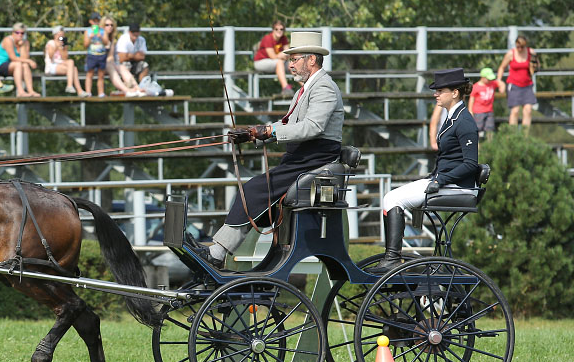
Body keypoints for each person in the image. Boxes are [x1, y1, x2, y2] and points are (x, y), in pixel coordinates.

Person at [193, 31, 344, 266]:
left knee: (252, 190)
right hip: (302, 157)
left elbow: (313, 127)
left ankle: (218, 253)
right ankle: (221, 250)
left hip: (315, 158)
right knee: (253, 192)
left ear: (311, 60)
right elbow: (287, 124)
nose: (290, 65)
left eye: (294, 59)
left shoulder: (324, 87)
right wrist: (254, 133)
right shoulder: (303, 90)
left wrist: (270, 132)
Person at [372, 68, 479, 274]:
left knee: (392, 199)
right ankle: (393, 257)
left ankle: (393, 258)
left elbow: (470, 164)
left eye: (440, 90)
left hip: (457, 187)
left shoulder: (464, 122)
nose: (435, 94)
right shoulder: (452, 118)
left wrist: (441, 180)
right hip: (444, 181)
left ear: (455, 93)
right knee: (391, 197)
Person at [496, 35, 537, 132]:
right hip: (514, 85)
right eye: (517, 46)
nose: (519, 49)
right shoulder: (511, 54)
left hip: (527, 85)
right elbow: (501, 67)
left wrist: (534, 65)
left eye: (522, 47)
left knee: (528, 110)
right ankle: (513, 136)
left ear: (525, 45)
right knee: (515, 111)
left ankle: (524, 137)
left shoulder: (531, 52)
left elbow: (536, 67)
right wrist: (499, 81)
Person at [0, 22, 39, 97]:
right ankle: (20, 91)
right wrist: (29, 61)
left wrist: (22, 46)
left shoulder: (25, 42)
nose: (20, 35)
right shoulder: (8, 40)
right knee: (19, 64)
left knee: (25, 65)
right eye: (17, 32)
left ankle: (30, 90)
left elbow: (24, 58)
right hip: (1, 65)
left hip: (15, 66)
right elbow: (13, 58)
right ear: (13, 32)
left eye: (22, 33)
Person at [103, 17, 144, 97]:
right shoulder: (98, 37)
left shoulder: (111, 39)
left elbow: (111, 57)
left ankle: (137, 88)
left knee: (122, 67)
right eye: (107, 25)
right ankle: (126, 90)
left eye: (111, 25)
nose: (110, 27)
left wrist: (115, 64)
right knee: (111, 67)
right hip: (98, 63)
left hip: (108, 64)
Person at [253, 20, 292, 97]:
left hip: (277, 62)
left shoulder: (284, 38)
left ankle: (306, 86)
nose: (279, 31)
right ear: (273, 30)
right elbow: (273, 56)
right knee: (279, 62)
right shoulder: (268, 38)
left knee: (293, 64)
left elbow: (288, 53)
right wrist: (282, 54)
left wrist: (284, 55)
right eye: (276, 29)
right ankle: (286, 88)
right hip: (260, 62)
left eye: (281, 29)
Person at [45, 25, 86, 96]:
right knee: (73, 68)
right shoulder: (50, 43)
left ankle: (77, 90)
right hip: (51, 66)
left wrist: (61, 48)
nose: (61, 36)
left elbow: (65, 58)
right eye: (59, 35)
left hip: (61, 64)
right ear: (55, 35)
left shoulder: (64, 43)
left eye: (62, 35)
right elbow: (50, 56)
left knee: (73, 65)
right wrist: (56, 46)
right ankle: (73, 87)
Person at [469, 67, 503, 141]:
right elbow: (471, 100)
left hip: (489, 111)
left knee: (490, 128)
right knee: (478, 129)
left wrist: (502, 88)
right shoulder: (476, 87)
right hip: (478, 112)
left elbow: (500, 83)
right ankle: (477, 147)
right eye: (488, 79)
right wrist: (470, 111)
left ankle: (489, 146)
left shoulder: (492, 83)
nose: (490, 80)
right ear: (483, 77)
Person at [82, 11, 108, 97]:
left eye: (98, 21)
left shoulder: (103, 31)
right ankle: (88, 92)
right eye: (94, 21)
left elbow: (106, 42)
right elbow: (85, 45)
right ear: (91, 21)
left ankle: (101, 92)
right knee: (90, 74)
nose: (96, 23)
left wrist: (100, 36)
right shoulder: (88, 31)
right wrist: (91, 37)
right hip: (91, 55)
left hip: (101, 55)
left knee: (101, 75)